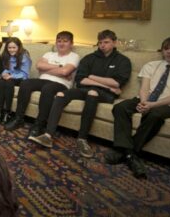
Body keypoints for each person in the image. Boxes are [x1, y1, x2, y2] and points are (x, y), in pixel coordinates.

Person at [106, 37, 170, 178]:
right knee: (120, 107)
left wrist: (152, 105)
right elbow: (144, 88)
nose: (169, 52)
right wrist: (144, 102)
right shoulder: (151, 65)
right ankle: (131, 155)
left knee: (155, 115)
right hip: (144, 99)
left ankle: (126, 152)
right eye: (166, 48)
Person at [29, 30, 132, 158]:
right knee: (61, 94)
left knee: (92, 93)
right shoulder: (89, 58)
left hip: (105, 94)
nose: (103, 45)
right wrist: (105, 84)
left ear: (114, 42)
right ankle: (48, 135)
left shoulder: (123, 60)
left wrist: (93, 78)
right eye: (100, 42)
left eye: (106, 42)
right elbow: (81, 79)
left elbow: (117, 83)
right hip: (86, 89)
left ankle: (82, 139)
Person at [6, 31, 80, 137]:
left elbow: (65, 72)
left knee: (48, 88)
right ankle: (18, 118)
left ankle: (39, 124)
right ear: (56, 43)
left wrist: (47, 69)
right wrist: (60, 67)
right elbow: (39, 65)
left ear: (71, 43)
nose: (61, 44)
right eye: (59, 41)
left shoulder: (74, 56)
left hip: (61, 84)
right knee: (26, 83)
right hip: (43, 79)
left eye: (65, 41)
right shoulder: (49, 54)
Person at [0, 37, 32, 124]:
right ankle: (0, 111)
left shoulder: (24, 57)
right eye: (9, 48)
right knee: (1, 82)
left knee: (8, 82)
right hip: (8, 77)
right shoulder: (5, 55)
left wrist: (11, 76)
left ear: (19, 47)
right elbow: (2, 68)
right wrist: (4, 74)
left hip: (20, 78)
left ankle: (7, 112)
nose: (11, 50)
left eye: (14, 47)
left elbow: (25, 74)